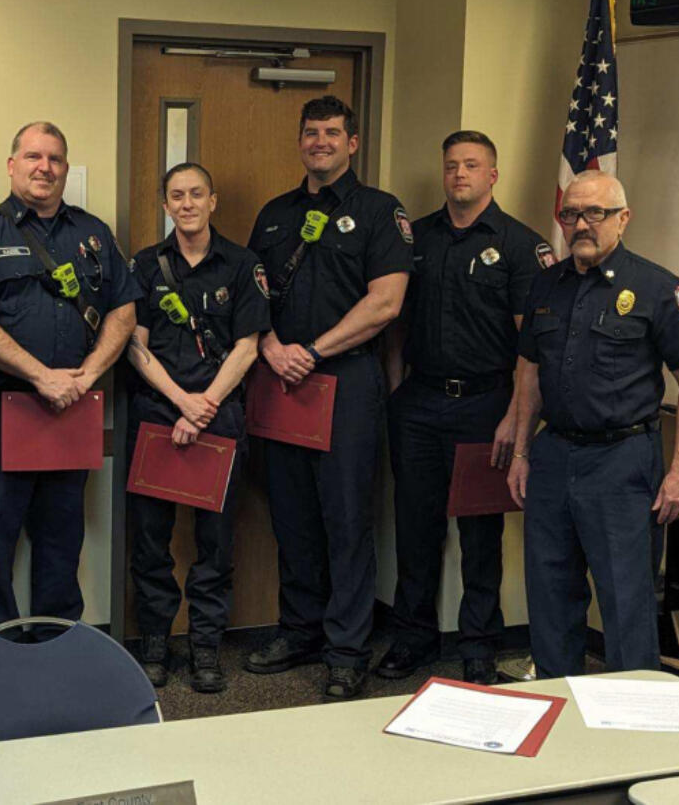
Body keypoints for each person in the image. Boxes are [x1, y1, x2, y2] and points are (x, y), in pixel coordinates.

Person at [507, 171, 679, 677]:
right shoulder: (546, 284)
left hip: (623, 463)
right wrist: (521, 451)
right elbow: (529, 371)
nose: (580, 224)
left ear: (623, 218)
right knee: (550, 595)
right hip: (554, 455)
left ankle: (632, 727)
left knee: (626, 603)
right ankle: (558, 706)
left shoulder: (658, 287)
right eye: (570, 214)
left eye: (593, 213)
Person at [245, 96, 412, 699]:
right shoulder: (273, 214)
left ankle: (347, 648)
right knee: (291, 515)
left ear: (353, 142)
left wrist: (312, 350)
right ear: (300, 141)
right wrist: (270, 349)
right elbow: (250, 297)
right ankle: (300, 630)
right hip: (281, 381)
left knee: (346, 519)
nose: (321, 141)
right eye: (311, 132)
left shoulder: (378, 212)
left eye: (333, 132)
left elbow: (386, 302)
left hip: (345, 382)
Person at [0, 121, 139, 634]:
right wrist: (41, 377)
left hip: (72, 407)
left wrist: (85, 376)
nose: (44, 167)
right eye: (33, 156)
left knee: (62, 534)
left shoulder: (93, 233)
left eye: (55, 159)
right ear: (12, 165)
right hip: (2, 409)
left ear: (65, 170)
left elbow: (124, 310)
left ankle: (58, 644)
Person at [380, 131, 550, 685]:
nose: (460, 175)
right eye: (451, 165)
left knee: (481, 535)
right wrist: (396, 389)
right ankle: (413, 637)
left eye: (472, 165)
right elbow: (397, 325)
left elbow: (532, 349)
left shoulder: (520, 245)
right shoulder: (417, 238)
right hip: (421, 402)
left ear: (492, 175)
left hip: (486, 406)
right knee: (415, 528)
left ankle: (478, 644)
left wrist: (515, 419)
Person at [125, 162, 270, 692]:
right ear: (165, 205)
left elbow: (249, 345)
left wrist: (204, 403)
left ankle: (205, 646)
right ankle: (157, 644)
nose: (186, 204)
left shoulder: (242, 263)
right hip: (159, 412)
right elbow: (134, 344)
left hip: (219, 415)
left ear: (214, 200)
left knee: (215, 544)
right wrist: (180, 401)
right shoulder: (144, 264)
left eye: (196, 194)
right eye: (176, 196)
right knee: (150, 542)